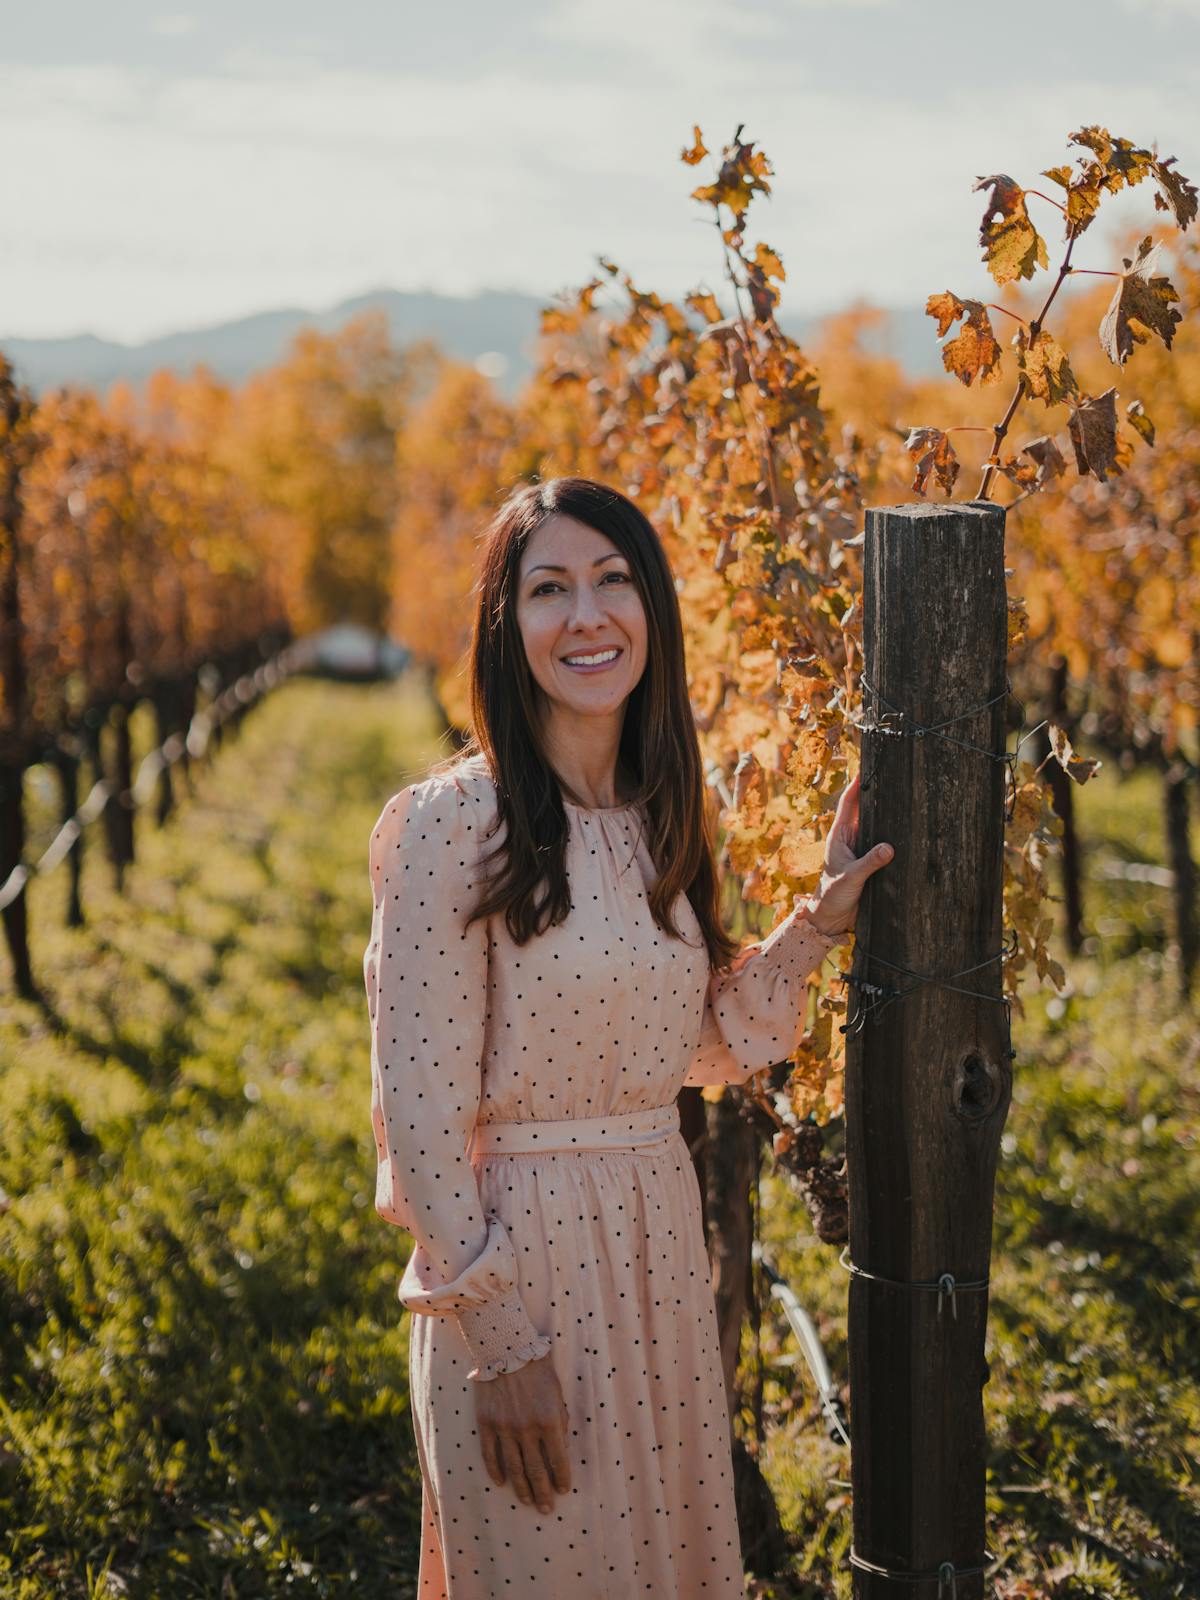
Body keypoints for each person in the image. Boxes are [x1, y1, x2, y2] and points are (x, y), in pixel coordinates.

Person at [363, 476, 894, 1598]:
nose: (587, 615)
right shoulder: (455, 823)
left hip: (656, 1251)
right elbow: (417, 1107)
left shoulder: (660, 814)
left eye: (613, 580)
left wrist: (819, 920)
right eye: (548, 587)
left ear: (653, 607)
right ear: (506, 626)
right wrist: (498, 1339)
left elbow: (691, 1048)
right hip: (521, 1272)